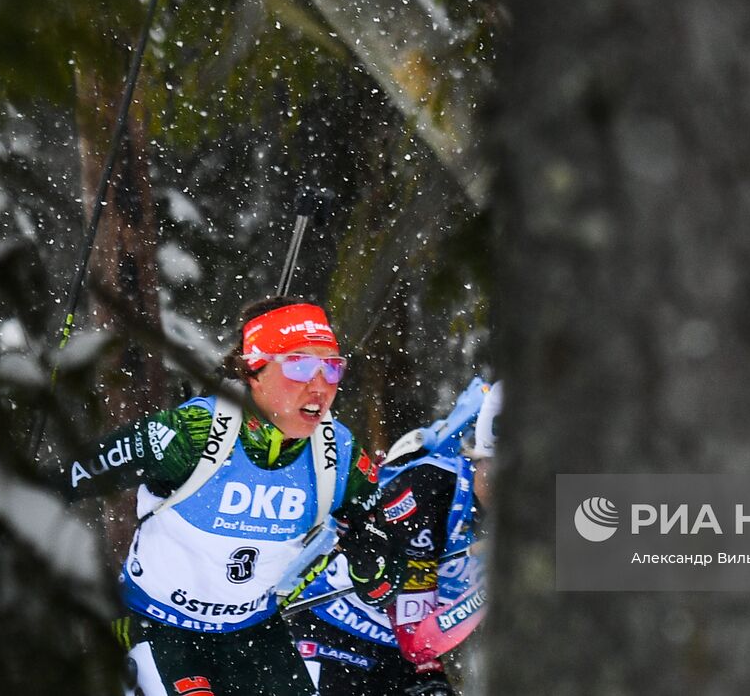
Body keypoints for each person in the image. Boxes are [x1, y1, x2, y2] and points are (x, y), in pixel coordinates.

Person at [57, 296, 402, 696]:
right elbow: (72, 476)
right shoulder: (195, 433)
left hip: (253, 635)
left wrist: (371, 559)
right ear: (255, 370)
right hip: (159, 626)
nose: (319, 384)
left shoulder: (338, 455)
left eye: (332, 367)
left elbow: (383, 583)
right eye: (300, 364)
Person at [287, 380, 501, 695]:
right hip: (335, 631)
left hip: (403, 650)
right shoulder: (433, 493)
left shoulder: (573, 499)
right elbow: (417, 640)